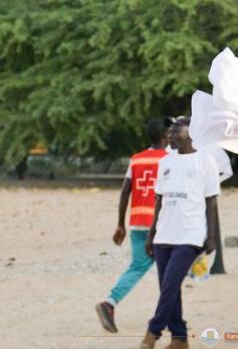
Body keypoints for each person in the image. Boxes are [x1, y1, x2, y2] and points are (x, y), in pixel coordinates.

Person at [140, 116, 220, 349]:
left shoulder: (206, 160)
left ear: (192, 133)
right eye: (170, 132)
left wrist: (212, 237)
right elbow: (159, 200)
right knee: (168, 288)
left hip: (190, 235)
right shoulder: (165, 162)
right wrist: (151, 234)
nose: (170, 135)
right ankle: (180, 338)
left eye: (176, 131)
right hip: (164, 233)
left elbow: (211, 202)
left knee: (170, 285)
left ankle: (152, 333)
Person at [95, 118, 169, 333]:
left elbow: (125, 190)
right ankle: (168, 316)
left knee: (138, 266)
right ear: (166, 137)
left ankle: (110, 302)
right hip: (161, 223)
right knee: (171, 267)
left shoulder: (136, 159)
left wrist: (120, 224)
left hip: (137, 222)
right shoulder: (169, 159)